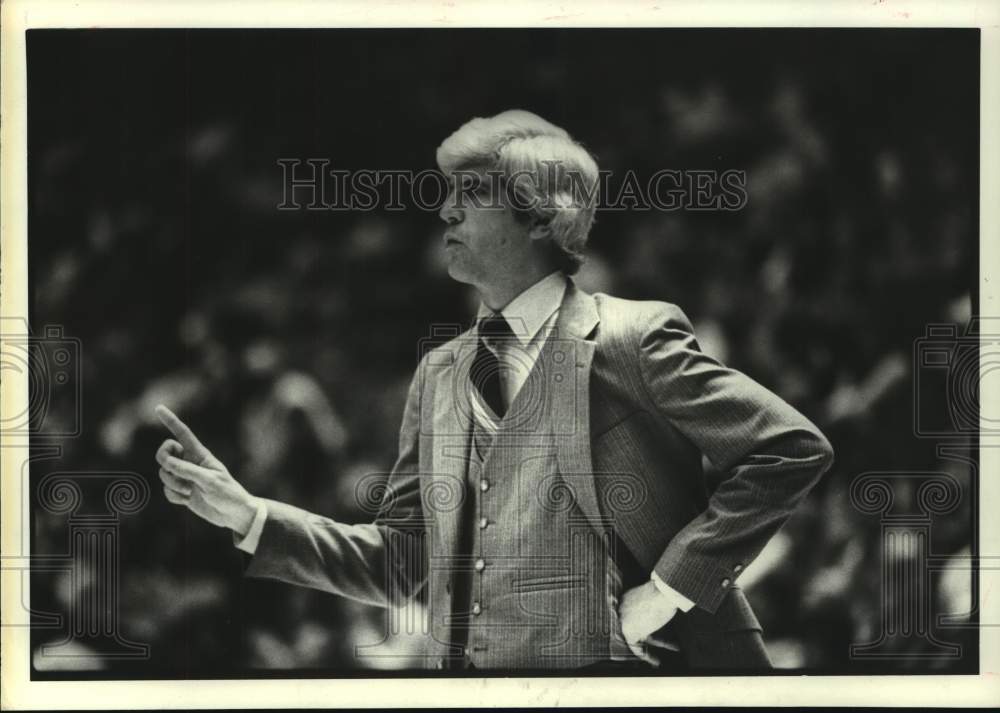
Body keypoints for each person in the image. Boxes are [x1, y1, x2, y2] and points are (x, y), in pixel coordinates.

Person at [154, 109, 834, 672]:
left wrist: (666, 591)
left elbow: (788, 449)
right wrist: (249, 515)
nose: (445, 210)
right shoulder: (440, 372)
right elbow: (404, 561)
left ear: (541, 218)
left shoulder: (636, 336)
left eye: (471, 194)